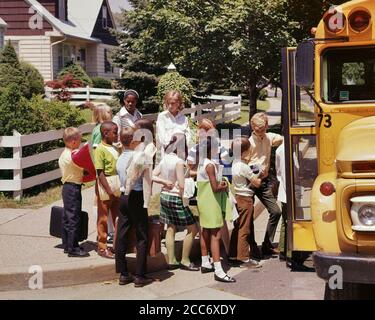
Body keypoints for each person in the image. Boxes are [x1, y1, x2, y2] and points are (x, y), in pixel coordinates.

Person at [152, 134, 199, 271]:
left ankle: (172, 260)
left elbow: (153, 175)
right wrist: (184, 194)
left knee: (171, 227)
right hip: (177, 197)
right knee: (192, 228)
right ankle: (185, 260)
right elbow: (182, 184)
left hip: (164, 196)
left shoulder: (165, 159)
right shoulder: (179, 162)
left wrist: (164, 181)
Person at [115, 127, 154, 287]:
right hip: (136, 196)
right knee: (141, 235)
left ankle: (123, 273)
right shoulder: (138, 158)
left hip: (123, 196)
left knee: (122, 234)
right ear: (133, 141)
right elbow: (147, 177)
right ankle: (140, 274)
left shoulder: (120, 158)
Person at [197, 136, 236, 282]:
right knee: (216, 234)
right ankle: (219, 271)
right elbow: (215, 188)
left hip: (203, 201)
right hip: (211, 203)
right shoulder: (210, 166)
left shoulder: (202, 163)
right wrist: (224, 184)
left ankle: (205, 262)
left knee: (205, 231)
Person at [248, 112, 283, 258]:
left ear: (267, 127)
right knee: (248, 216)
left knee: (275, 211)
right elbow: (243, 164)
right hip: (249, 182)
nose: (261, 133)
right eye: (257, 130)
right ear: (252, 127)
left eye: (263, 130)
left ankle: (267, 244)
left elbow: (283, 138)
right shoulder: (249, 143)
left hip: (263, 182)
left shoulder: (270, 138)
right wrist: (257, 170)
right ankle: (253, 247)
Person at [228, 137, 262, 268]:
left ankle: (232, 255)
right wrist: (259, 173)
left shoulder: (235, 164)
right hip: (246, 199)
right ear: (244, 152)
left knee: (238, 226)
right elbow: (257, 183)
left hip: (238, 196)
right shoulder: (244, 167)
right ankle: (243, 258)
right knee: (244, 229)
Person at [58, 127, 89, 257]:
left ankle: (67, 244)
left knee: (67, 217)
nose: (80, 142)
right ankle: (73, 248)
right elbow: (84, 167)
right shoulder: (72, 157)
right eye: (79, 140)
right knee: (73, 218)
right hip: (73, 188)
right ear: (73, 142)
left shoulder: (64, 153)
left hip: (67, 187)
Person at [94, 121, 121, 259]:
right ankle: (102, 246)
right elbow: (100, 172)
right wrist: (109, 190)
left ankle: (119, 244)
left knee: (118, 215)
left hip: (116, 183)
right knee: (103, 217)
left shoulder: (115, 148)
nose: (118, 135)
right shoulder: (99, 149)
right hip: (106, 185)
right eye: (115, 132)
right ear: (106, 133)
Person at [91, 103, 115, 244]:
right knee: (101, 200)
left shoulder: (104, 129)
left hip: (107, 171)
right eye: (109, 112)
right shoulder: (98, 131)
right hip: (103, 172)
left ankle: (107, 230)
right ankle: (103, 231)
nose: (111, 114)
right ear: (101, 115)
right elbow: (96, 151)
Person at [156, 90, 192, 154]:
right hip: (168, 152)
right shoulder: (162, 117)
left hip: (181, 152)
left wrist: (182, 146)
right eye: (168, 103)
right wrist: (172, 147)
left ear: (178, 103)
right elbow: (162, 136)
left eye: (172, 103)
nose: (170, 106)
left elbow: (188, 135)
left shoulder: (183, 118)